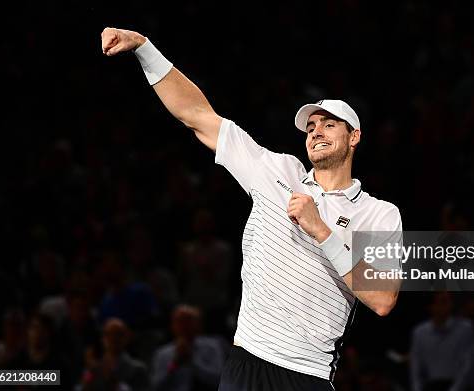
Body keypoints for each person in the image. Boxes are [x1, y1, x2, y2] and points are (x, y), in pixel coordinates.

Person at [100, 27, 403, 390]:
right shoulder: (276, 170)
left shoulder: (379, 213)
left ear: (354, 136)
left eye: (329, 124)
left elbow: (383, 298)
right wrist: (144, 48)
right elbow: (196, 114)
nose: (316, 131)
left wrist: (321, 230)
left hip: (307, 374)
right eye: (310, 127)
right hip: (246, 362)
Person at [151, 305, 227, 391]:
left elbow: (219, 380)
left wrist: (192, 362)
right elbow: (156, 386)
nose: (184, 326)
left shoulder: (212, 347)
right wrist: (174, 364)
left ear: (199, 324)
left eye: (189, 321)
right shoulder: (163, 353)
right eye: (180, 321)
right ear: (172, 325)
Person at [410, 292, 474, 391]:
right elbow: (416, 369)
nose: (447, 306)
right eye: (442, 301)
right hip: (431, 386)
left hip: (458, 386)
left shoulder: (465, 329)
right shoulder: (420, 333)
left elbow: (467, 365)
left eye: (448, 301)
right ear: (432, 306)